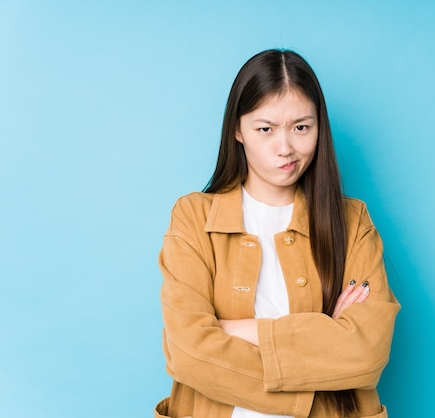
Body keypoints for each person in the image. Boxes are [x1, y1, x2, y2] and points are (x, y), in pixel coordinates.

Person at [155, 49, 400, 418]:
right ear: (238, 129)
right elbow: (189, 353)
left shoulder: (352, 221)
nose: (285, 148)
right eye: (265, 129)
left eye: (301, 127)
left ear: (320, 126)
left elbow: (367, 353)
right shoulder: (193, 218)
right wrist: (323, 338)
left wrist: (234, 329)